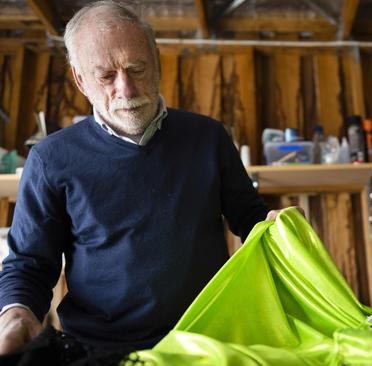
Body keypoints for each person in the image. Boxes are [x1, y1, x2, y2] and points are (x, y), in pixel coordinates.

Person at [0, 1, 287, 355]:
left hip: (207, 341)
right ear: (80, 79)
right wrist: (16, 312)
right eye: (106, 76)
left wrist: (280, 229)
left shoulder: (209, 138)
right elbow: (30, 264)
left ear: (157, 62)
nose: (126, 89)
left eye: (136, 68)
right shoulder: (50, 159)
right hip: (100, 351)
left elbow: (251, 219)